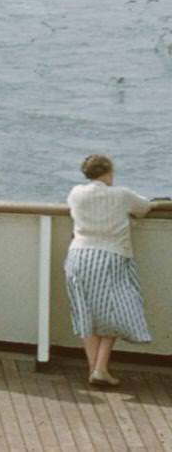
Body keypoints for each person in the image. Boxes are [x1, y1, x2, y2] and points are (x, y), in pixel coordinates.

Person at [65, 154, 159, 388]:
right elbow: (144, 208)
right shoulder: (121, 195)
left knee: (85, 313)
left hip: (78, 256)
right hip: (110, 258)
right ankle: (99, 368)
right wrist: (157, 203)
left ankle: (95, 369)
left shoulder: (75, 193)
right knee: (115, 312)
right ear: (108, 172)